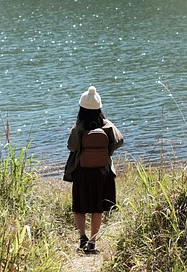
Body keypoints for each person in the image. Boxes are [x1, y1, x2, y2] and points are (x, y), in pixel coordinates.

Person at [63, 86, 124, 253]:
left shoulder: (78, 128)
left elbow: (71, 146)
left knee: (80, 206)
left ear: (81, 108)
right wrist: (106, 151)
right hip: (101, 172)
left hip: (81, 171)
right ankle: (92, 242)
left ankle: (82, 237)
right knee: (97, 207)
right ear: (99, 108)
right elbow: (120, 141)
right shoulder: (107, 125)